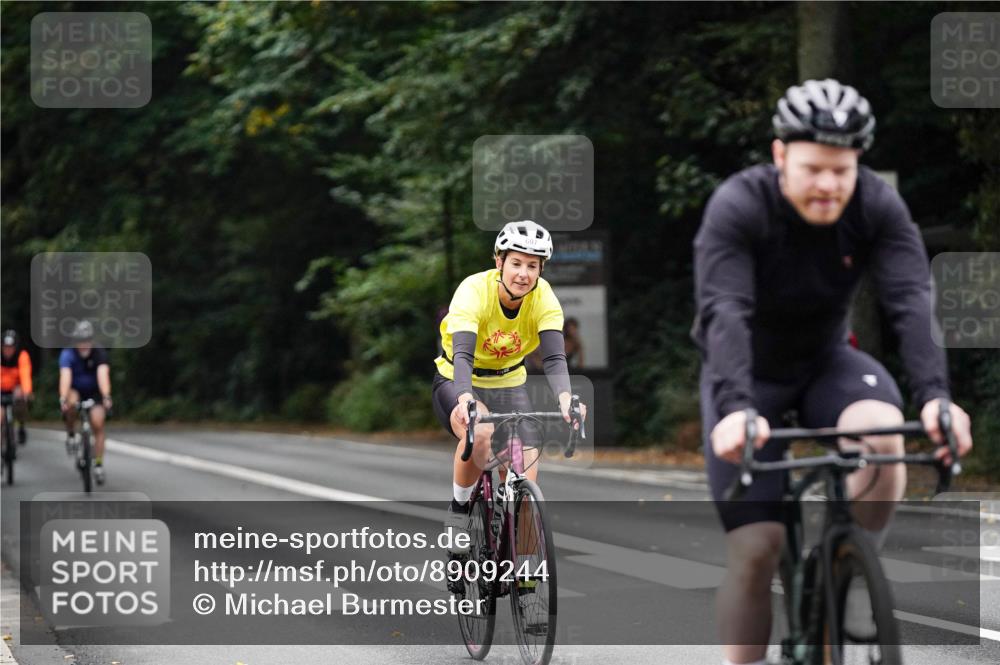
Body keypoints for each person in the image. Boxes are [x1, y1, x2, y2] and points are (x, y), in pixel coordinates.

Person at [692, 79, 973, 665]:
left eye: (841, 170)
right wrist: (738, 408)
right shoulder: (739, 205)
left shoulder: (876, 203)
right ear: (779, 156)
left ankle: (847, 578)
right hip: (748, 376)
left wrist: (936, 398)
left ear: (858, 164)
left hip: (827, 361)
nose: (828, 185)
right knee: (757, 549)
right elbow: (726, 312)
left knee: (883, 434)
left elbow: (909, 298)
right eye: (813, 168)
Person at [432, 220, 586, 590]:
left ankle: (525, 573)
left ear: (541, 270)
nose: (523, 273)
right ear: (499, 261)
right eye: (516, 263)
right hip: (459, 378)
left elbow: (553, 358)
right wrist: (467, 397)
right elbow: (464, 354)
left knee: (525, 484)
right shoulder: (473, 290)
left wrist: (566, 399)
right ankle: (458, 516)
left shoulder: (544, 297)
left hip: (510, 381)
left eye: (533, 266)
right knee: (480, 431)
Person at [59, 320, 113, 485]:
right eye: (80, 341)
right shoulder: (68, 354)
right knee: (71, 402)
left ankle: (98, 465)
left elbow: (103, 375)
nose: (83, 345)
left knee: (98, 423)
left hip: (94, 391)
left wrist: (106, 396)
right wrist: (63, 398)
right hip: (75, 389)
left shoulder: (99, 352)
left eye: (86, 340)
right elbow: (65, 377)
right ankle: (70, 434)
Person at [1, 329, 34, 445]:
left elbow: (25, 375)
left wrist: (26, 392)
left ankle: (21, 425)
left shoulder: (22, 356)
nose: (8, 350)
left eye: (10, 347)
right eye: (5, 347)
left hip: (15, 388)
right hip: (1, 389)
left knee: (21, 398)